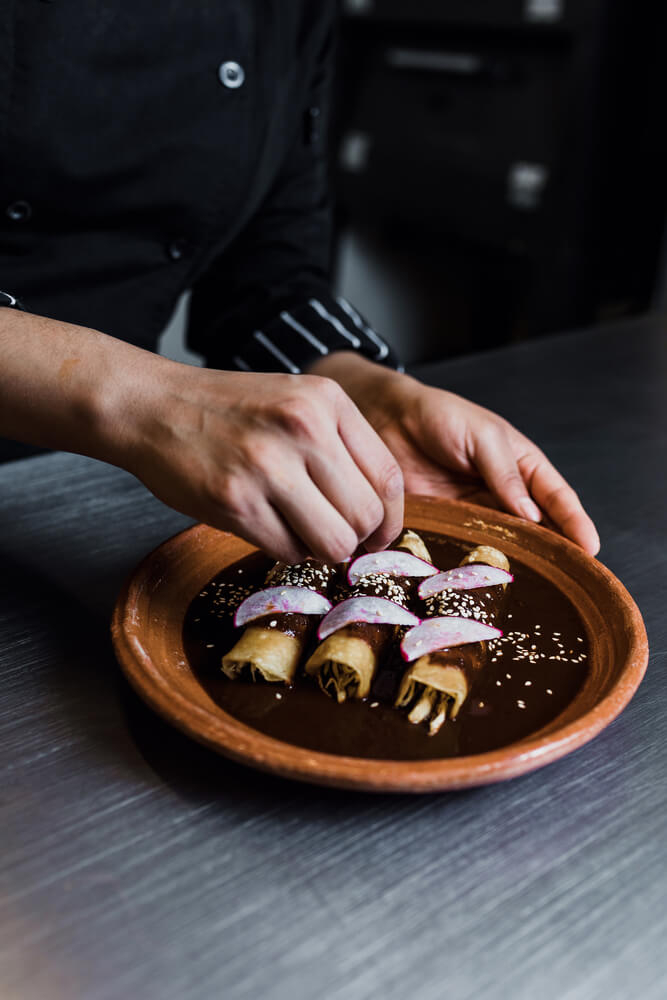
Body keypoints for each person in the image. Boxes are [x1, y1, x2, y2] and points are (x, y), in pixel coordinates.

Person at [0, 2, 599, 564]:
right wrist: (147, 403)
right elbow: (153, 402)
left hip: (88, 496)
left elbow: (264, 271)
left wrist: (369, 395)